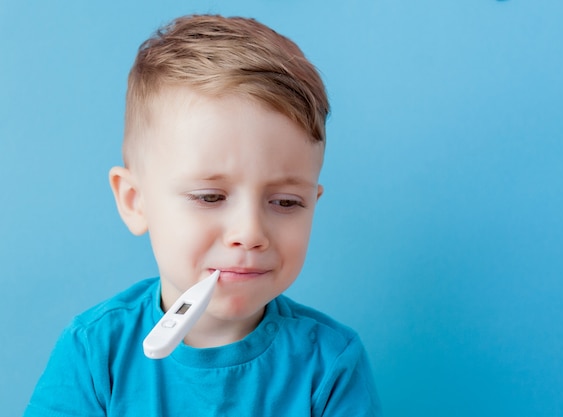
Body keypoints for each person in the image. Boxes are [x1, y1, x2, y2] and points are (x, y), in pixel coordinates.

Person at [24, 13, 382, 416]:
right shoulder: (94, 354)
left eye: (285, 202)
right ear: (134, 200)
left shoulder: (330, 363)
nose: (249, 233)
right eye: (210, 197)